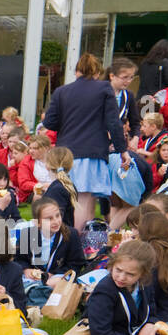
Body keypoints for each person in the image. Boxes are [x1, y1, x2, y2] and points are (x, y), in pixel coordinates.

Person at [41, 53, 131, 228]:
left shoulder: (61, 91)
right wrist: (123, 150)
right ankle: (78, 242)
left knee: (77, 199)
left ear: (77, 72)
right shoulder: (104, 88)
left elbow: (49, 122)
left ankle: (82, 243)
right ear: (97, 72)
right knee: (85, 199)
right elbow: (113, 122)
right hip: (92, 150)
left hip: (66, 153)